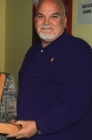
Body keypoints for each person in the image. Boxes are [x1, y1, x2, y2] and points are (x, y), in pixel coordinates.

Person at [7, 0, 92, 139]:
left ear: (64, 21)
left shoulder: (78, 50)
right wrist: (16, 119)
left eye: (54, 16)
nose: (46, 22)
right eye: (41, 16)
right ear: (35, 21)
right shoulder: (31, 52)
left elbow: (76, 104)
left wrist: (39, 126)